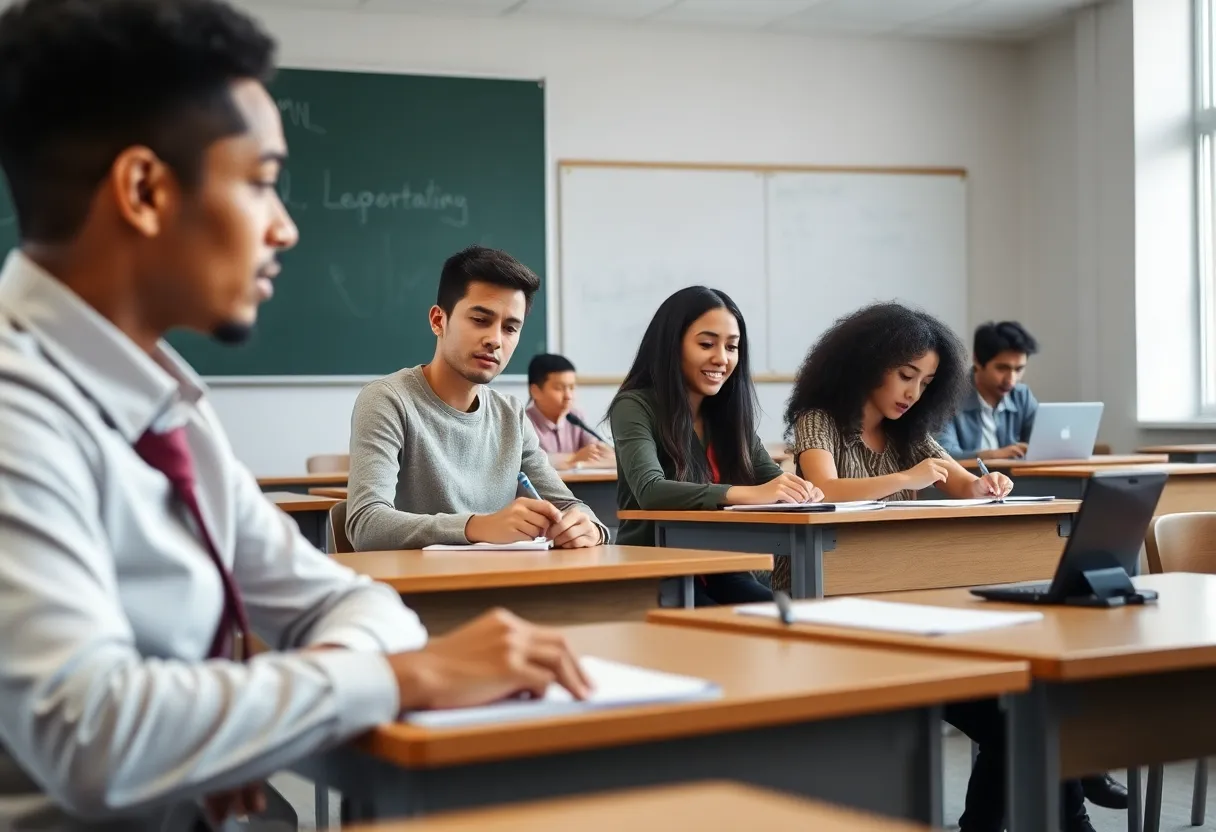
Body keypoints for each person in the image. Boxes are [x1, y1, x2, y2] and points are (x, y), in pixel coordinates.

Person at [0, 1, 590, 828]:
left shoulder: (167, 406)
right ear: (142, 189)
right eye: (261, 181)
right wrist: (395, 679)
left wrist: (228, 729)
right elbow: (94, 735)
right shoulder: (16, 410)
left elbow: (357, 604)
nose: (284, 226)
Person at [783, 302, 1094, 832]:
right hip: (832, 608)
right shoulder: (820, 421)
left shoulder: (911, 430)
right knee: (1008, 722)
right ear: (867, 364)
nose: (913, 393)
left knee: (1021, 718)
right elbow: (824, 491)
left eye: (926, 382)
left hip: (908, 608)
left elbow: (960, 481)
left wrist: (986, 484)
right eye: (905, 376)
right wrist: (904, 479)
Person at [347, 246, 608, 552]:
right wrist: (476, 526)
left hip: (504, 583)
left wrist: (589, 528)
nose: (495, 340)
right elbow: (365, 524)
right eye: (481, 320)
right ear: (437, 320)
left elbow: (569, 505)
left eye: (510, 328)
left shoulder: (510, 413)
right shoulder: (387, 400)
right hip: (417, 592)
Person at [609, 286, 823, 606]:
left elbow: (769, 480)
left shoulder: (727, 414)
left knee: (784, 616)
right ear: (672, 345)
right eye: (706, 344)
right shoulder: (634, 405)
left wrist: (801, 490)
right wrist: (743, 493)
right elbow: (650, 490)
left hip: (723, 567)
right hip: (658, 571)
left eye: (732, 347)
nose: (721, 358)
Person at [938, 320, 1040, 460]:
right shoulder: (949, 395)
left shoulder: (1022, 396)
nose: (1011, 379)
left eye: (1019, 369)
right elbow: (942, 453)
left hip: (1015, 480)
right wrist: (990, 456)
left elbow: (1042, 445)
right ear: (978, 361)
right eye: (1002, 368)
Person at [526, 353, 614, 470]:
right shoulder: (523, 422)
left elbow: (595, 451)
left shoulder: (575, 417)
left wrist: (602, 451)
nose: (568, 396)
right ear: (535, 391)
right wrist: (574, 458)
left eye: (572, 387)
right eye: (559, 388)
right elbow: (529, 462)